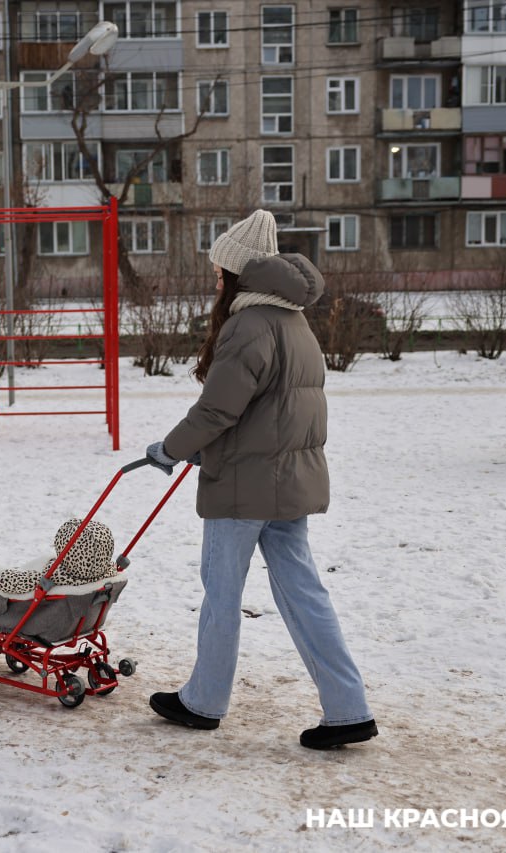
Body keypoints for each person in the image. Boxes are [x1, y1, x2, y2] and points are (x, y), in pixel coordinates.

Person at [144, 209, 377, 750]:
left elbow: (217, 410)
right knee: (304, 593)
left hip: (243, 490)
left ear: (239, 275)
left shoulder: (247, 325)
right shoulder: (294, 325)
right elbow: (272, 415)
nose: (215, 282)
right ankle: (348, 708)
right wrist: (215, 449)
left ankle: (203, 702)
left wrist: (172, 450)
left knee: (221, 593)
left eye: (219, 272)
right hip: (286, 486)